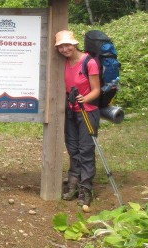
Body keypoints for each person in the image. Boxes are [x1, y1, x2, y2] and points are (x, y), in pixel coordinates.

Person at [55, 30, 100, 207]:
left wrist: (84, 98)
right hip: (71, 110)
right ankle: (73, 181)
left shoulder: (89, 63)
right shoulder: (64, 62)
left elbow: (97, 89)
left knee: (86, 149)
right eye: (61, 46)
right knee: (73, 147)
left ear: (75, 44)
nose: (65, 49)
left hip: (87, 110)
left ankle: (86, 187)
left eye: (67, 45)